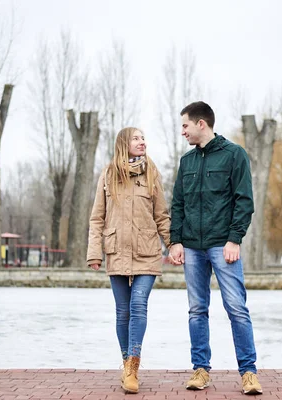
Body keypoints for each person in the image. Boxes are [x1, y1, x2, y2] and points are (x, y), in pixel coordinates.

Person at [168, 101, 263, 395]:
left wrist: (234, 239)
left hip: (223, 246)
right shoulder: (187, 162)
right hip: (193, 248)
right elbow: (178, 204)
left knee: (236, 309)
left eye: (185, 125)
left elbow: (244, 201)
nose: (182, 131)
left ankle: (248, 373)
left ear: (201, 124)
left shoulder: (234, 155)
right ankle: (200, 370)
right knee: (197, 310)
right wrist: (175, 240)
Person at [87, 127, 171, 394]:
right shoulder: (108, 174)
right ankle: (126, 362)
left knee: (138, 304)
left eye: (144, 138)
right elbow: (97, 218)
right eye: (136, 138)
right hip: (116, 251)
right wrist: (94, 253)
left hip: (147, 251)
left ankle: (133, 367)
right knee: (122, 311)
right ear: (124, 143)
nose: (142, 142)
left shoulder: (152, 173)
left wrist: (173, 246)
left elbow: (162, 215)